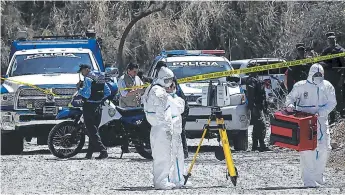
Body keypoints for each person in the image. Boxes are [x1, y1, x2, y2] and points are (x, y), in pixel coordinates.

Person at [285, 63, 337, 187]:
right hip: (305, 122)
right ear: (310, 74)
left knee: (325, 148)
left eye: (320, 75)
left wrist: (322, 112)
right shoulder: (300, 86)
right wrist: (290, 106)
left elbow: (332, 102)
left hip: (321, 121)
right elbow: (290, 98)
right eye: (316, 74)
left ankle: (318, 176)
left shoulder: (327, 86)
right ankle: (308, 180)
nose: (318, 77)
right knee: (307, 150)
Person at [141, 66, 177, 189]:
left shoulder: (152, 88)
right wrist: (167, 129)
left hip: (156, 127)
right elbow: (161, 113)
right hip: (161, 128)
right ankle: (161, 182)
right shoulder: (159, 92)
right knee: (164, 155)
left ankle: (160, 180)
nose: (170, 83)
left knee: (159, 156)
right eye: (168, 80)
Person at [154, 61, 189, 158]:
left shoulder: (169, 79)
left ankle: (184, 152)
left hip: (180, 106)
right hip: (177, 105)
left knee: (179, 130)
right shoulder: (169, 77)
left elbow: (174, 92)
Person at [77, 64, 111, 159]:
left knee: (91, 130)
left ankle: (103, 151)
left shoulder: (88, 79)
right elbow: (108, 92)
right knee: (94, 130)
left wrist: (79, 89)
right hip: (98, 106)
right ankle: (89, 154)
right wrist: (99, 100)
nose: (82, 73)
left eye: (82, 71)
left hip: (89, 106)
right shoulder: (100, 77)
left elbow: (87, 95)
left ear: (87, 70)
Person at [165, 81, 189, 188]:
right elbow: (174, 109)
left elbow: (180, 108)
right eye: (170, 86)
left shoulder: (178, 98)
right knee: (169, 157)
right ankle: (167, 179)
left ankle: (180, 179)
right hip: (169, 132)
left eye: (174, 86)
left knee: (179, 156)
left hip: (177, 133)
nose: (172, 88)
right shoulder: (165, 99)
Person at [245, 62, 270, 152]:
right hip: (256, 106)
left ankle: (255, 145)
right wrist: (253, 107)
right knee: (262, 125)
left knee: (257, 126)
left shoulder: (256, 79)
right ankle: (262, 144)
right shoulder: (251, 80)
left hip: (259, 105)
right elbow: (251, 96)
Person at [321, 32, 345, 122]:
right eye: (329, 40)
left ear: (335, 39)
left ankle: (342, 114)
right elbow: (320, 62)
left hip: (338, 77)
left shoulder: (341, 51)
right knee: (328, 97)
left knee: (339, 96)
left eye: (332, 39)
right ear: (327, 41)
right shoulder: (325, 51)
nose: (331, 41)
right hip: (328, 78)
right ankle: (332, 116)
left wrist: (342, 78)